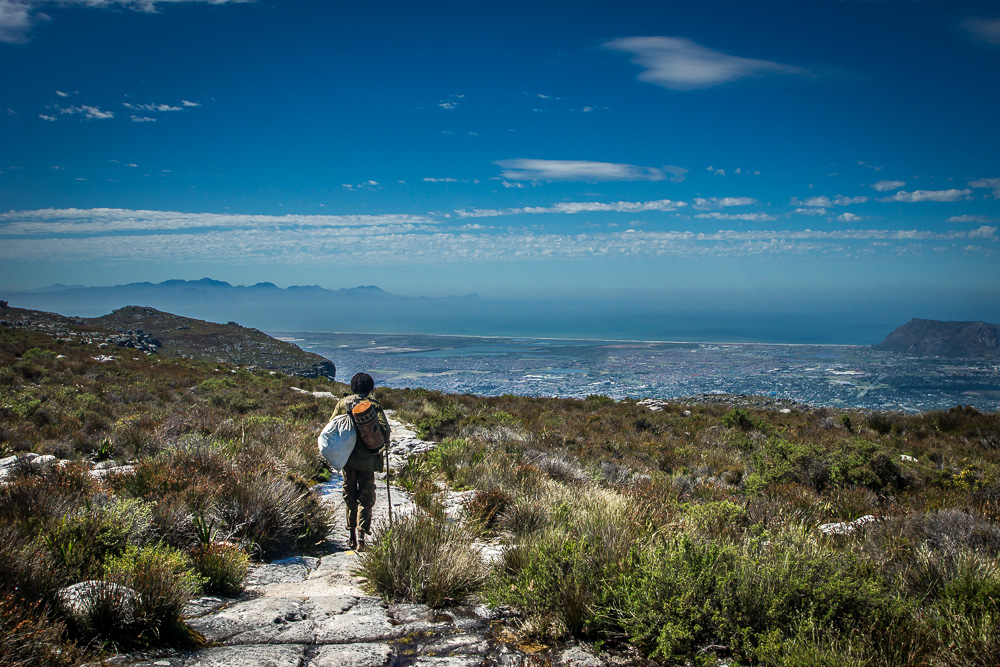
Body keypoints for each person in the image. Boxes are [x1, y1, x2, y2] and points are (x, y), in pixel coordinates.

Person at [330, 372, 391, 551]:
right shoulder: (373, 405)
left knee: (349, 493)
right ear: (370, 388)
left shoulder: (342, 404)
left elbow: (332, 426)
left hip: (347, 457)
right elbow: (385, 429)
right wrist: (384, 444)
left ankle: (351, 536)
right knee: (366, 495)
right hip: (368, 458)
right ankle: (362, 536)